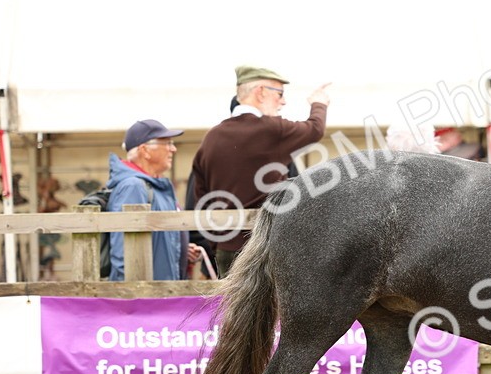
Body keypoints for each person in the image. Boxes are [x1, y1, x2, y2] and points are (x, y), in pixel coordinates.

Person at [190, 65, 331, 276]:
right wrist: (318, 103)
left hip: (226, 248)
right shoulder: (271, 129)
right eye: (280, 94)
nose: (283, 101)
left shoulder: (211, 138)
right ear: (261, 92)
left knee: (231, 308)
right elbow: (315, 129)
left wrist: (218, 242)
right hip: (266, 245)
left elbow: (201, 196)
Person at [106, 120, 198, 281]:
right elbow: (124, 256)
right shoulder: (134, 187)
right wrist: (135, 300)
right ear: (145, 150)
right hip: (147, 299)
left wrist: (179, 248)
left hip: (162, 295)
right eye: (167, 143)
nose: (173, 149)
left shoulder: (156, 186)